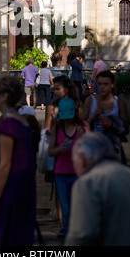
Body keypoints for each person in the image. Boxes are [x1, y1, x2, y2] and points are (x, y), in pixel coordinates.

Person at [0, 76, 36, 246]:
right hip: (24, 187)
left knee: (1, 238)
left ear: (5, 96)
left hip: (9, 189)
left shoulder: (7, 125)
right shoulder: (21, 121)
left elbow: (6, 164)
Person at [48, 97, 86, 238]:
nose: (67, 120)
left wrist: (83, 138)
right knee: (65, 207)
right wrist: (60, 148)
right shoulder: (57, 129)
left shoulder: (80, 129)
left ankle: (78, 232)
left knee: (78, 205)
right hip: (61, 173)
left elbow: (90, 151)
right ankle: (68, 233)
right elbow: (50, 152)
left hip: (78, 172)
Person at [80, 70, 129, 163]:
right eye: (100, 84)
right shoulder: (90, 101)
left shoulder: (118, 102)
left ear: (112, 84)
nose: (102, 87)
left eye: (106, 84)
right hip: (93, 147)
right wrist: (93, 116)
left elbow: (126, 129)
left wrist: (113, 123)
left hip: (113, 148)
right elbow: (80, 125)